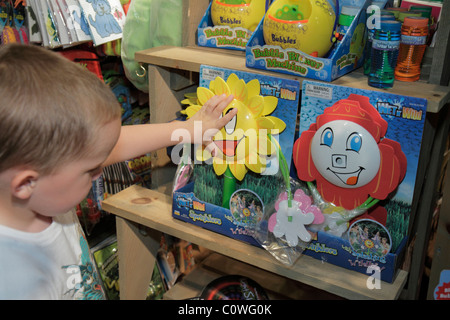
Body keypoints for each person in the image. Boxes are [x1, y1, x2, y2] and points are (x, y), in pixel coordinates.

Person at [0, 43, 236, 299]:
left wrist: (189, 129)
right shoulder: (17, 280)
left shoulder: (43, 185)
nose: (99, 173)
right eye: (91, 170)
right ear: (24, 185)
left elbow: (115, 143)